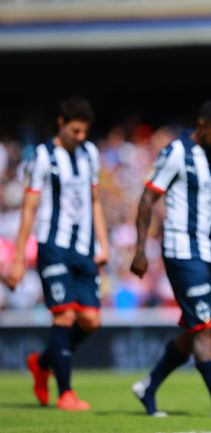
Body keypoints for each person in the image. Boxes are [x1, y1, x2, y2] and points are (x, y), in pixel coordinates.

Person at [129, 99, 211, 418]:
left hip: (210, 250)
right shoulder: (176, 153)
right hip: (181, 251)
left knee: (195, 327)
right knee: (204, 328)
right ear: (202, 125)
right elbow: (147, 197)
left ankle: (149, 386)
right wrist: (140, 249)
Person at [7, 97, 109, 411]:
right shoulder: (42, 157)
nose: (81, 137)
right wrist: (20, 257)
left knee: (90, 320)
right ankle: (66, 393)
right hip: (53, 247)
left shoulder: (90, 153)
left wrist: (103, 243)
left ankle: (42, 363)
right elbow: (30, 206)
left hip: (84, 248)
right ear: (61, 124)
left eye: (85, 132)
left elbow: (94, 201)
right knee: (64, 314)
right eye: (76, 131)